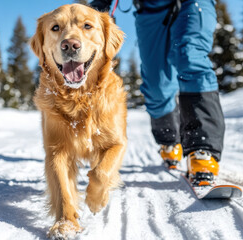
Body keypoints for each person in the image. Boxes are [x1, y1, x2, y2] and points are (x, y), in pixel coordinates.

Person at [90, 0, 225, 186]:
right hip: (151, 9)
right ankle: (169, 139)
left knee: (191, 57)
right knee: (156, 86)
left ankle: (203, 150)